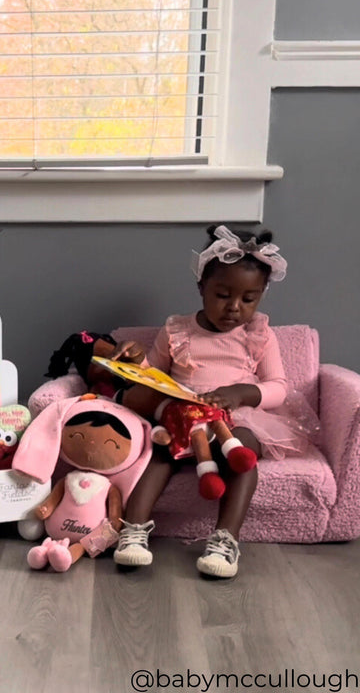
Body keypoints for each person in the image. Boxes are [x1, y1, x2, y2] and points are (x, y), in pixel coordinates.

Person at [112, 224, 315, 578]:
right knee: (159, 453)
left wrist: (240, 393)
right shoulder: (177, 330)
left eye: (248, 299)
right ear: (201, 288)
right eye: (223, 295)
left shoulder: (258, 335)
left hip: (237, 420)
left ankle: (225, 539)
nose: (235, 308)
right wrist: (134, 361)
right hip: (184, 417)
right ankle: (133, 530)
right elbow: (154, 378)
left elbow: (278, 386)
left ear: (261, 295)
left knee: (243, 454)